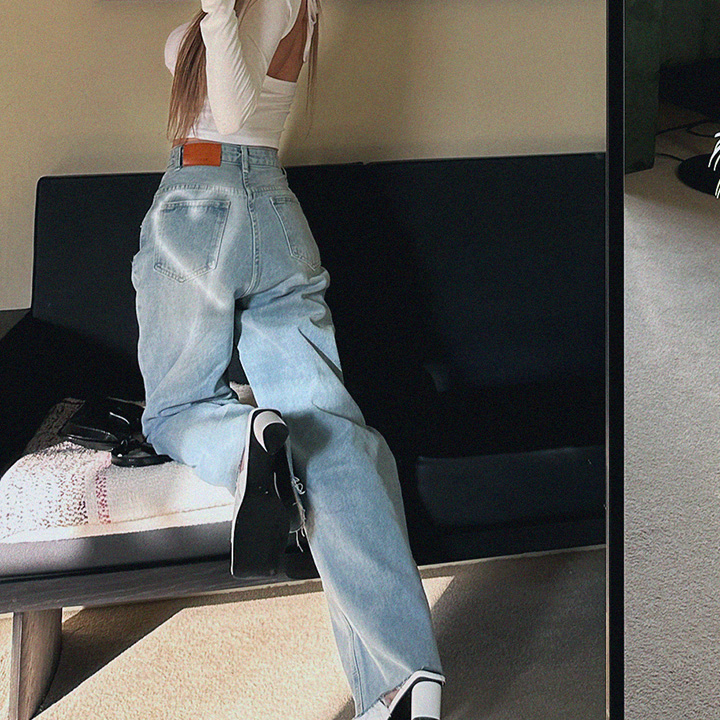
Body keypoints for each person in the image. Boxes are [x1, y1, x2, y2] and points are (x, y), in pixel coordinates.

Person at [130, 0, 445, 717]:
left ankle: (246, 440)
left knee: (176, 410)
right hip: (273, 207)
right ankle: (403, 678)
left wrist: (215, 10)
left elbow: (231, 113)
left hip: (197, 199)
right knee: (327, 431)